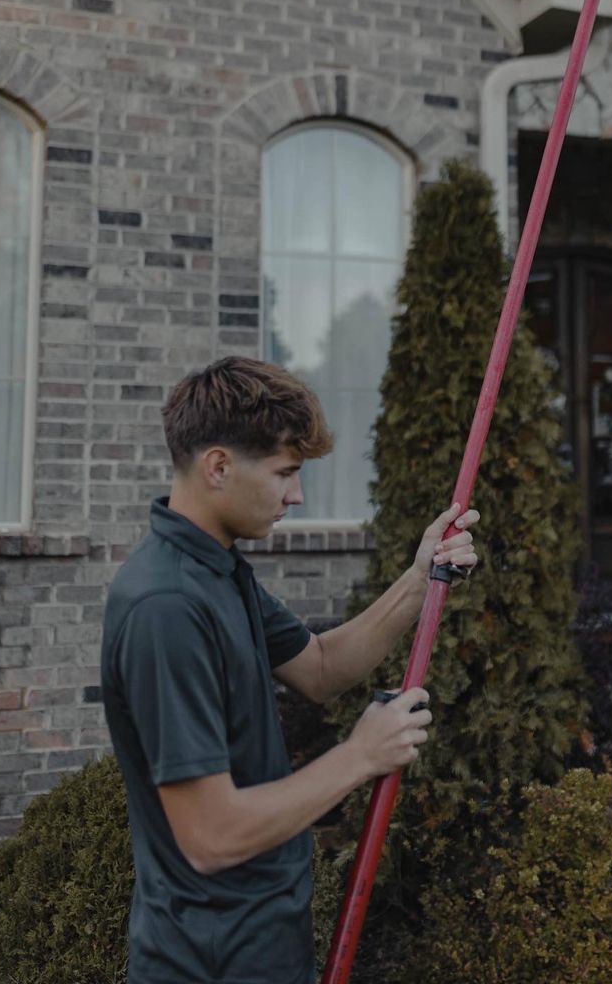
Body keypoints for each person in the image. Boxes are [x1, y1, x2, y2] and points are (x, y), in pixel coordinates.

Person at [101, 357, 479, 984]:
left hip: (260, 943)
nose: (296, 495)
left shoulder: (218, 571)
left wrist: (420, 578)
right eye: (284, 472)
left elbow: (323, 667)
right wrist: (360, 756)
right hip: (210, 963)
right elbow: (210, 836)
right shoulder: (166, 607)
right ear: (218, 467)